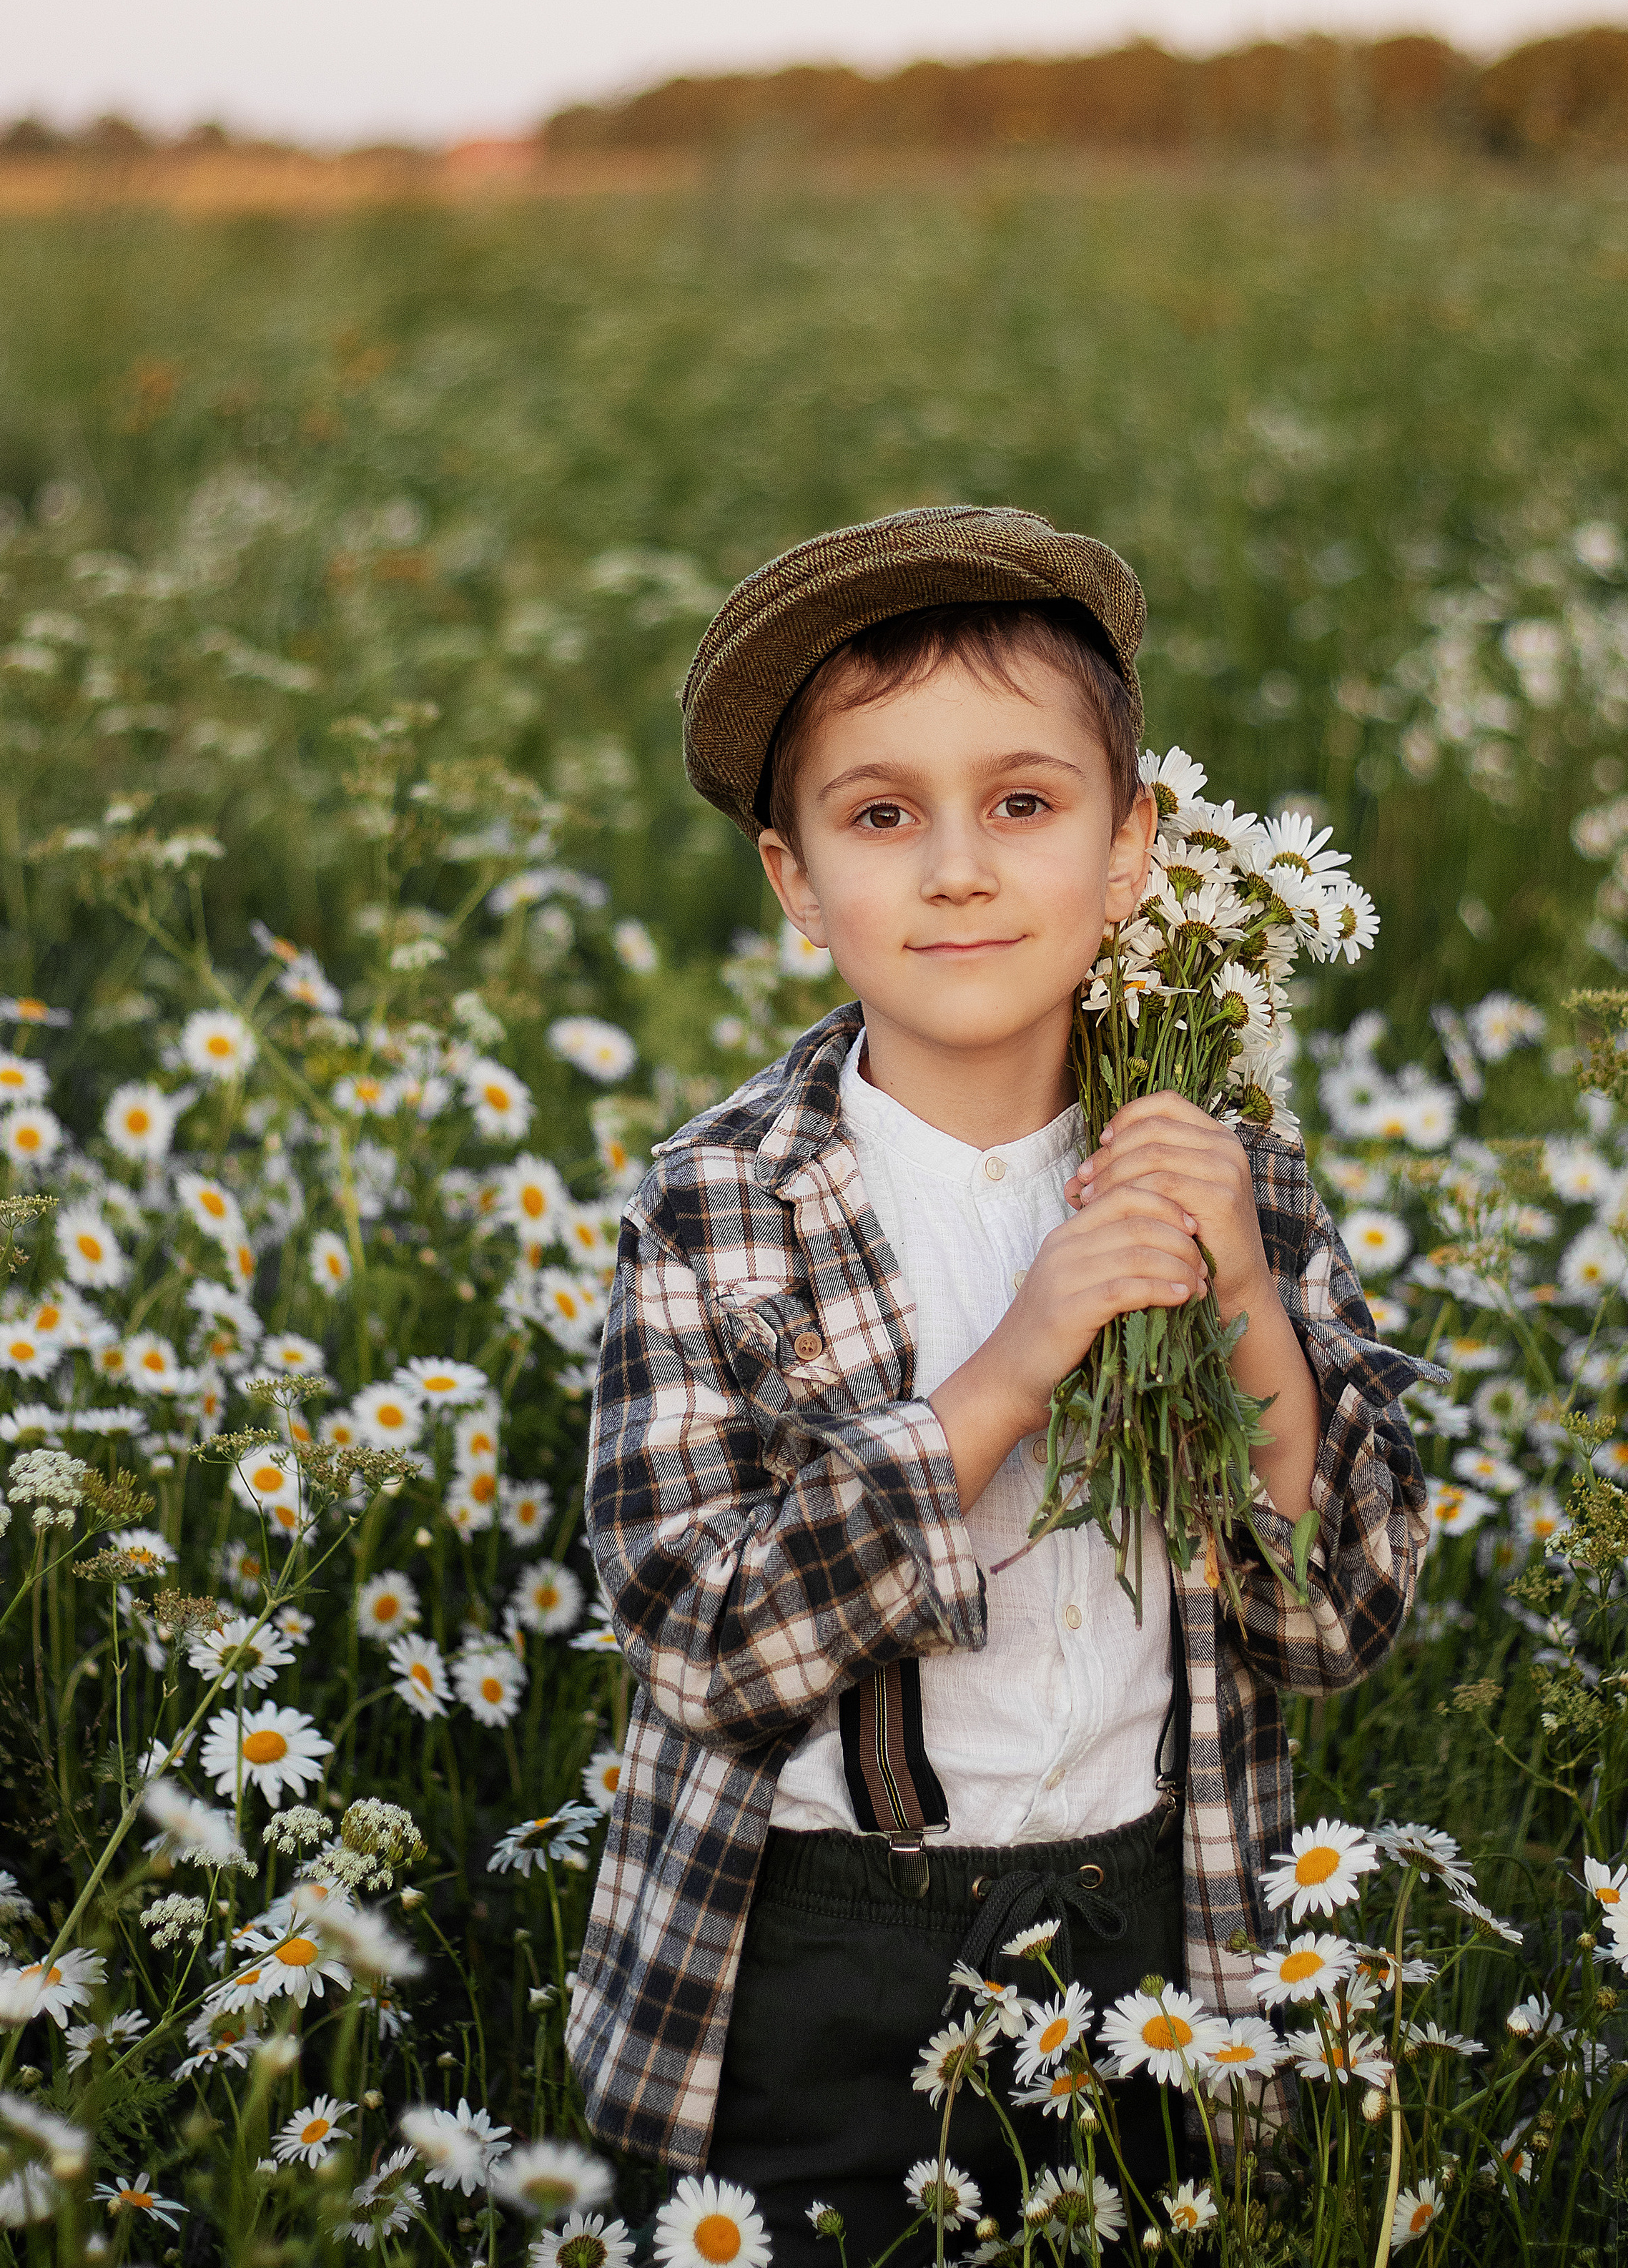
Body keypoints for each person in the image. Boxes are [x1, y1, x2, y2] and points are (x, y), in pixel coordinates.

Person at [568, 505, 1431, 2259]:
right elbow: (704, 1641)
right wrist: (1016, 1368)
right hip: (807, 1948)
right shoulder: (716, 1206)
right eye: (880, 816)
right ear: (794, 880)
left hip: (1144, 1922)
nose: (955, 869)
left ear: (1129, 856)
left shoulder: (1231, 1180)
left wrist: (1243, 1298)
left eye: (1023, 805)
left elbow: (1332, 1624)